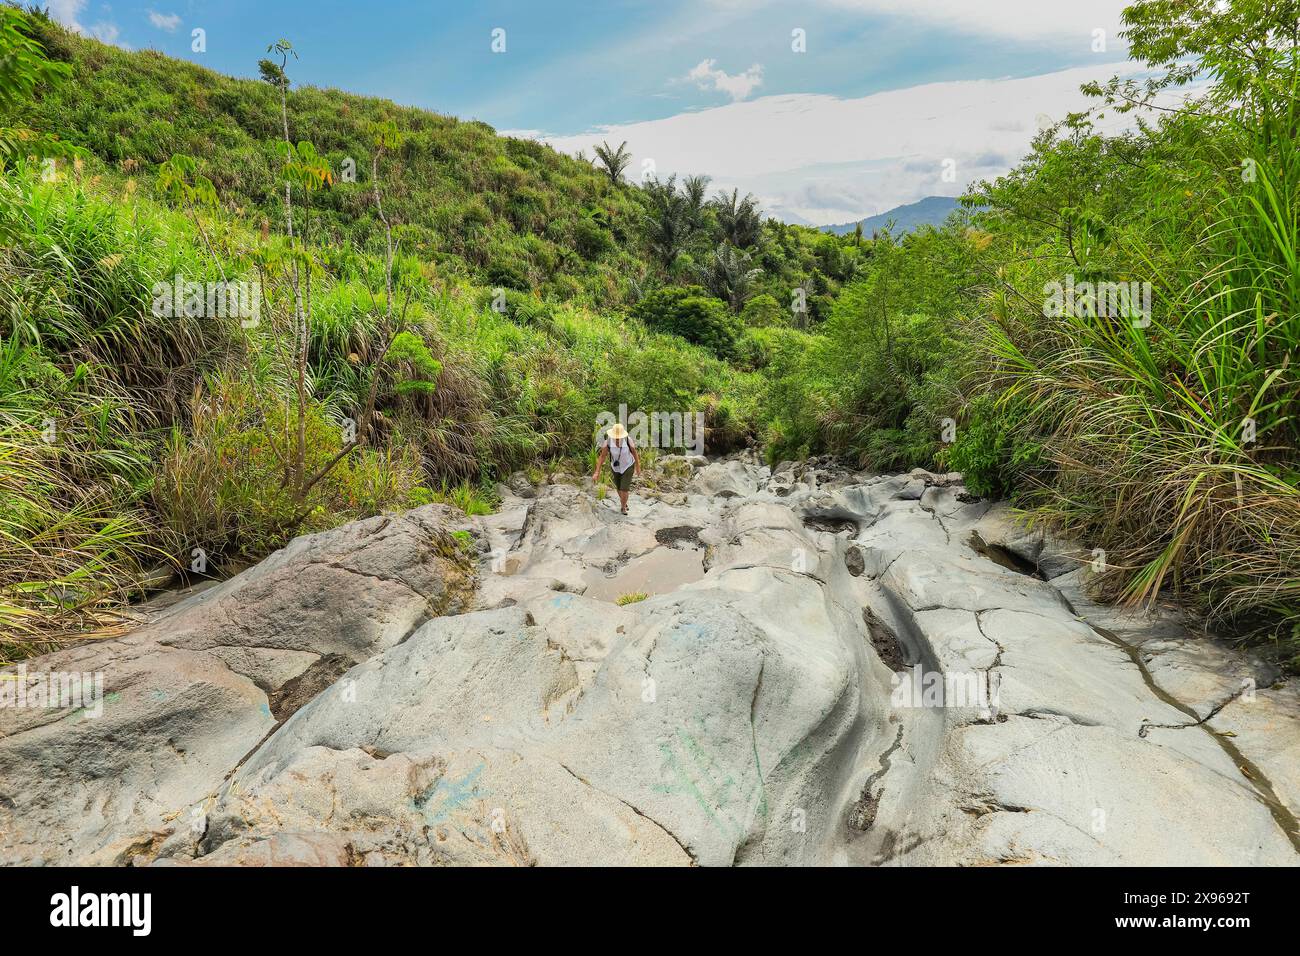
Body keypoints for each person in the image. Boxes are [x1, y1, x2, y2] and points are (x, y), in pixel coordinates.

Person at [593, 422, 641, 515]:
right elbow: (602, 457)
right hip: (615, 467)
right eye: (616, 436)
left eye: (619, 436)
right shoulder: (608, 442)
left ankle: (623, 508)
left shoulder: (628, 440)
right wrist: (597, 472)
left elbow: (635, 453)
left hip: (628, 465)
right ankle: (624, 502)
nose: (618, 438)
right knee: (619, 488)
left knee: (624, 488)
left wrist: (638, 467)